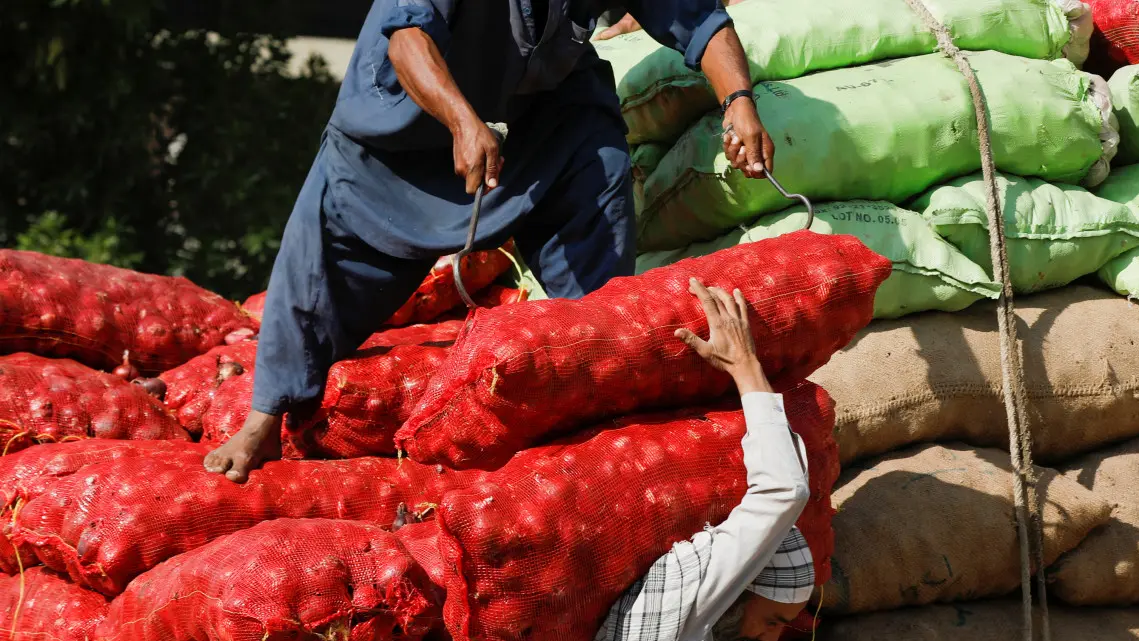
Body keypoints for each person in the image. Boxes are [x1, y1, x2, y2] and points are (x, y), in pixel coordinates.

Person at [204, 0, 777, 482]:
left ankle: (597, 392)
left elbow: (700, 20)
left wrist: (739, 102)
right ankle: (263, 419)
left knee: (599, 157)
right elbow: (406, 40)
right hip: (404, 125)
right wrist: (460, 120)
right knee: (323, 254)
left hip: (540, 120)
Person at [522, 278, 814, 641]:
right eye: (773, 619)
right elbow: (785, 492)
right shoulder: (683, 599)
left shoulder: (676, 622)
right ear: (741, 581)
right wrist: (747, 371)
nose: (769, 640)